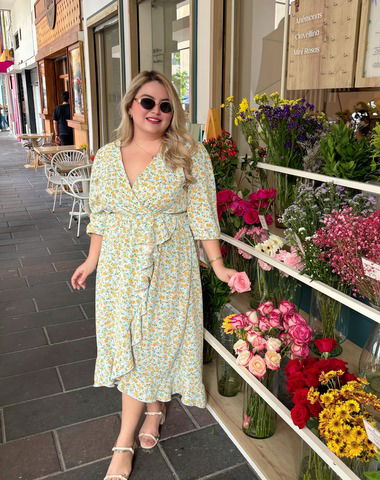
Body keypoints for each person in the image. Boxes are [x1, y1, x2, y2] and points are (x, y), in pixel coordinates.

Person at [70, 71, 236, 480]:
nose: (156, 111)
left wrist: (218, 265)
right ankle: (155, 407)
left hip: (169, 263)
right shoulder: (108, 155)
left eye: (165, 105)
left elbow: (202, 216)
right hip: (119, 267)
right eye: (147, 102)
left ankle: (122, 443)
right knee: (130, 344)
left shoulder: (190, 153)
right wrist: (92, 261)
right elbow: (102, 215)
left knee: (153, 345)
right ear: (130, 105)